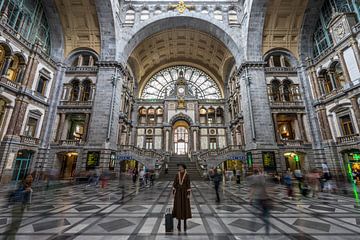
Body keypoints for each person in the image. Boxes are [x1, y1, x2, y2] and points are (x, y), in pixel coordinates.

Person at [6, 175, 33, 240]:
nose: (30, 178)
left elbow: (28, 198)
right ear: (25, 178)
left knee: (16, 223)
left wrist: (28, 205)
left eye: (31, 177)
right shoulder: (22, 185)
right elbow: (17, 195)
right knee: (15, 224)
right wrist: (25, 191)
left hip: (22, 207)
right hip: (17, 206)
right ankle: (11, 238)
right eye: (28, 177)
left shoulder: (28, 185)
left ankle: (6, 236)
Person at [248, 169, 271, 235]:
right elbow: (267, 188)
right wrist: (270, 197)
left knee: (254, 213)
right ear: (258, 172)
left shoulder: (254, 179)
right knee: (266, 215)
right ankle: (267, 229)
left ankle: (252, 228)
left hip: (257, 198)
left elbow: (253, 189)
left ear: (254, 172)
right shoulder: (263, 178)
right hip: (265, 198)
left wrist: (250, 198)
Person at [172, 163, 192, 232]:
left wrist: (188, 193)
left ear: (183, 167)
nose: (179, 168)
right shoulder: (177, 175)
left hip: (184, 193)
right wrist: (174, 192)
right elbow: (174, 184)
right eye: (178, 167)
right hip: (178, 193)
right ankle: (179, 223)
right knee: (178, 207)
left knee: (185, 207)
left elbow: (188, 185)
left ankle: (185, 223)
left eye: (180, 167)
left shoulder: (187, 175)